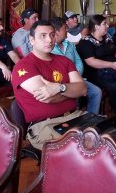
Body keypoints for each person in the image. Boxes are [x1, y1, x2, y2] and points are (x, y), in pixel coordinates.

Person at [11, 20, 87, 149]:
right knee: (81, 149)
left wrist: (59, 87)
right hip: (44, 125)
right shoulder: (23, 66)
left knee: (107, 137)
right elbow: (48, 97)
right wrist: (71, 92)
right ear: (32, 40)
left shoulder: (64, 61)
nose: (49, 40)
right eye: (43, 36)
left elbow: (83, 89)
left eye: (52, 35)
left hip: (73, 116)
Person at [50, 17, 102, 114]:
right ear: (56, 32)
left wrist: (75, 76)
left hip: (77, 79)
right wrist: (70, 79)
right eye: (65, 28)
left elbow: (78, 62)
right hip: (60, 82)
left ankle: (90, 120)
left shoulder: (69, 44)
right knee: (74, 95)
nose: (67, 30)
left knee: (96, 92)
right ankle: (74, 119)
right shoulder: (50, 48)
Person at [76, 14, 116, 115]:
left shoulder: (107, 37)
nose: (108, 26)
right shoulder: (86, 42)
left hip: (112, 68)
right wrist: (112, 65)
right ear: (96, 26)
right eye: (104, 24)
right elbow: (91, 61)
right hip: (95, 73)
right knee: (115, 86)